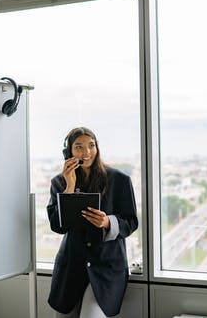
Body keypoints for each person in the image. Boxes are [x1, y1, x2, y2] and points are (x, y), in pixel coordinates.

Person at [46, 127, 139, 318]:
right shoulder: (59, 183)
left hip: (106, 267)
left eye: (91, 146)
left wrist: (107, 222)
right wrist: (69, 187)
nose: (86, 152)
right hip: (72, 267)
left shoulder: (119, 180)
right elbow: (57, 226)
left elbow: (131, 222)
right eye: (79, 147)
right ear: (69, 152)